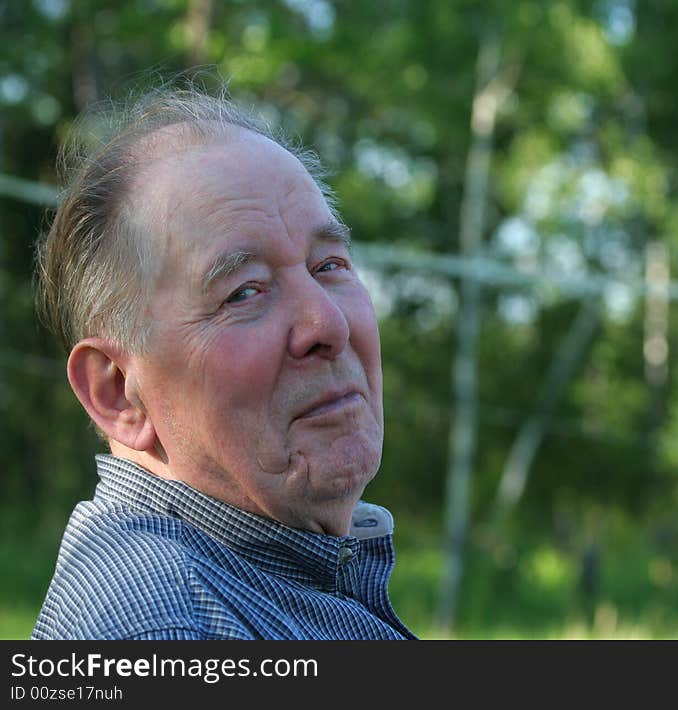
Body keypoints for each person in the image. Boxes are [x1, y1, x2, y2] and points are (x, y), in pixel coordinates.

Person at [31, 86, 415, 640]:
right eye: (244, 292)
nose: (328, 325)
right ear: (118, 393)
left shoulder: (257, 585)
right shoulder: (166, 628)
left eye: (329, 264)